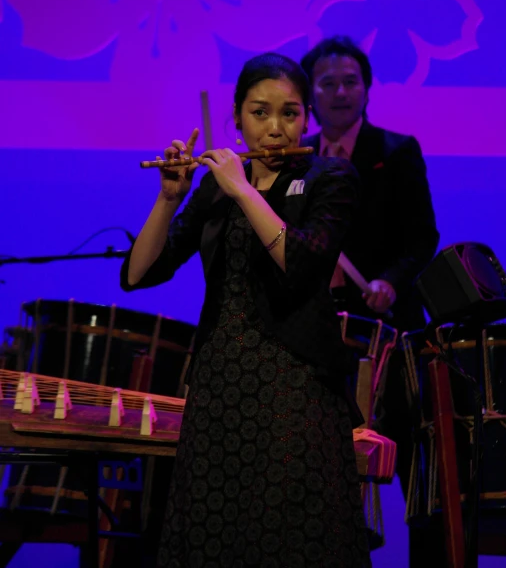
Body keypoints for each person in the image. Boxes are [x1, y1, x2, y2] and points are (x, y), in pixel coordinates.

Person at [121, 53, 372, 568]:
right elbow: (139, 274)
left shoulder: (332, 177)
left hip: (295, 388)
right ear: (236, 116)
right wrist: (169, 199)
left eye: (291, 113)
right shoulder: (215, 186)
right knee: (215, 536)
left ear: (308, 118)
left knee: (290, 538)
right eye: (261, 113)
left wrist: (242, 188)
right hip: (219, 385)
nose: (276, 129)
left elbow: (300, 263)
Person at [300, 37, 441, 566]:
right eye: (328, 82)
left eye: (350, 81)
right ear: (310, 93)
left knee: (410, 460)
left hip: (388, 334)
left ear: (367, 88)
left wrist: (390, 282)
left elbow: (422, 238)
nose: (340, 91)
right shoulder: (300, 157)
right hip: (319, 334)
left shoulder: (395, 152)